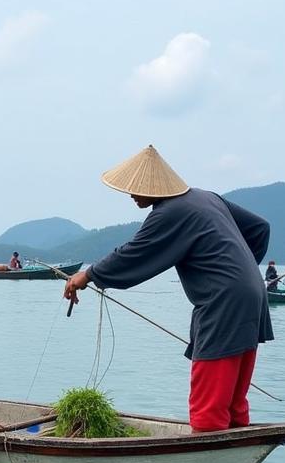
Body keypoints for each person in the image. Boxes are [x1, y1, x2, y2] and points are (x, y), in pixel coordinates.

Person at [63, 145, 273, 433]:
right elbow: (260, 228)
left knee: (209, 398)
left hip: (223, 301)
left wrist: (87, 275)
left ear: (154, 187)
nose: (132, 195)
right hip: (253, 293)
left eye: (136, 189)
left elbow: (132, 254)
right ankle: (234, 444)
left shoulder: (170, 212)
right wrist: (240, 271)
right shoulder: (205, 198)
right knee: (233, 395)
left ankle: (207, 450)